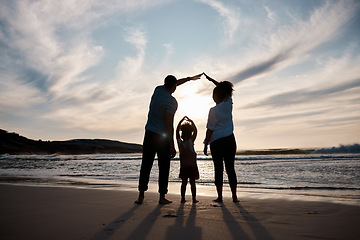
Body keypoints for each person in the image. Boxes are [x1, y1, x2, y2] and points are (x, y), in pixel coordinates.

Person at [135, 73, 203, 205]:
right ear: (174, 87)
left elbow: (174, 83)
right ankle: (161, 198)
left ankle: (141, 196)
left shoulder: (158, 89)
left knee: (146, 166)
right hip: (162, 137)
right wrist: (171, 145)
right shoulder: (171, 102)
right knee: (164, 167)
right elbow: (168, 125)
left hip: (149, 133)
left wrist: (188, 79)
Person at [203, 73, 239, 203]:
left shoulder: (213, 110)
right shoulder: (228, 104)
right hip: (230, 140)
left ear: (216, 96)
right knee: (230, 168)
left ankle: (220, 197)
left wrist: (205, 144)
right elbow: (225, 89)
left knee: (218, 169)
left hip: (217, 142)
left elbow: (210, 129)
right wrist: (212, 80)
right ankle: (234, 196)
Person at [176, 116, 199, 203]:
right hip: (192, 167)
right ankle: (194, 199)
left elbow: (176, 132)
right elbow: (196, 131)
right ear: (190, 133)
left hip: (184, 167)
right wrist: (191, 121)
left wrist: (180, 122)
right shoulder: (191, 141)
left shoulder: (179, 143)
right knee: (192, 183)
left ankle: (183, 198)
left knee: (184, 183)